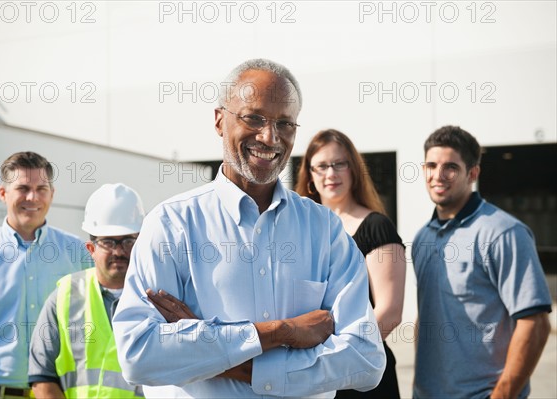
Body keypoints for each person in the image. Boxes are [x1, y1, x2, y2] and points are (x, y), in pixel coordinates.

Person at [112, 58, 386, 398]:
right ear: (219, 120)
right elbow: (139, 356)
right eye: (254, 118)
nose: (270, 137)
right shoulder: (171, 225)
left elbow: (365, 359)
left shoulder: (325, 230)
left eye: (285, 123)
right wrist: (280, 331)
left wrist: (213, 352)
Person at [412, 125, 552, 399]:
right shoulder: (422, 239)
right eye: (431, 165)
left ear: (472, 173)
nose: (438, 175)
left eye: (450, 167)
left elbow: (534, 323)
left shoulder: (503, 232)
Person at [0, 151, 91, 399]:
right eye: (23, 188)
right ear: (3, 194)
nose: (33, 197)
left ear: (52, 194)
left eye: (42, 188)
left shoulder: (78, 253)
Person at [295, 129, 406, 399]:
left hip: (360, 373)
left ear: (353, 170)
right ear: (310, 175)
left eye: (339, 164)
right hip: (309, 378)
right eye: (321, 166)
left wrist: (334, 361)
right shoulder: (298, 230)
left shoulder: (377, 227)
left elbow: (389, 313)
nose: (330, 173)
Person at [28, 183, 145, 398]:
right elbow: (42, 378)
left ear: (141, 244)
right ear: (91, 249)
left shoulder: (159, 300)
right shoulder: (64, 297)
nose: (118, 251)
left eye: (128, 241)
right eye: (108, 242)